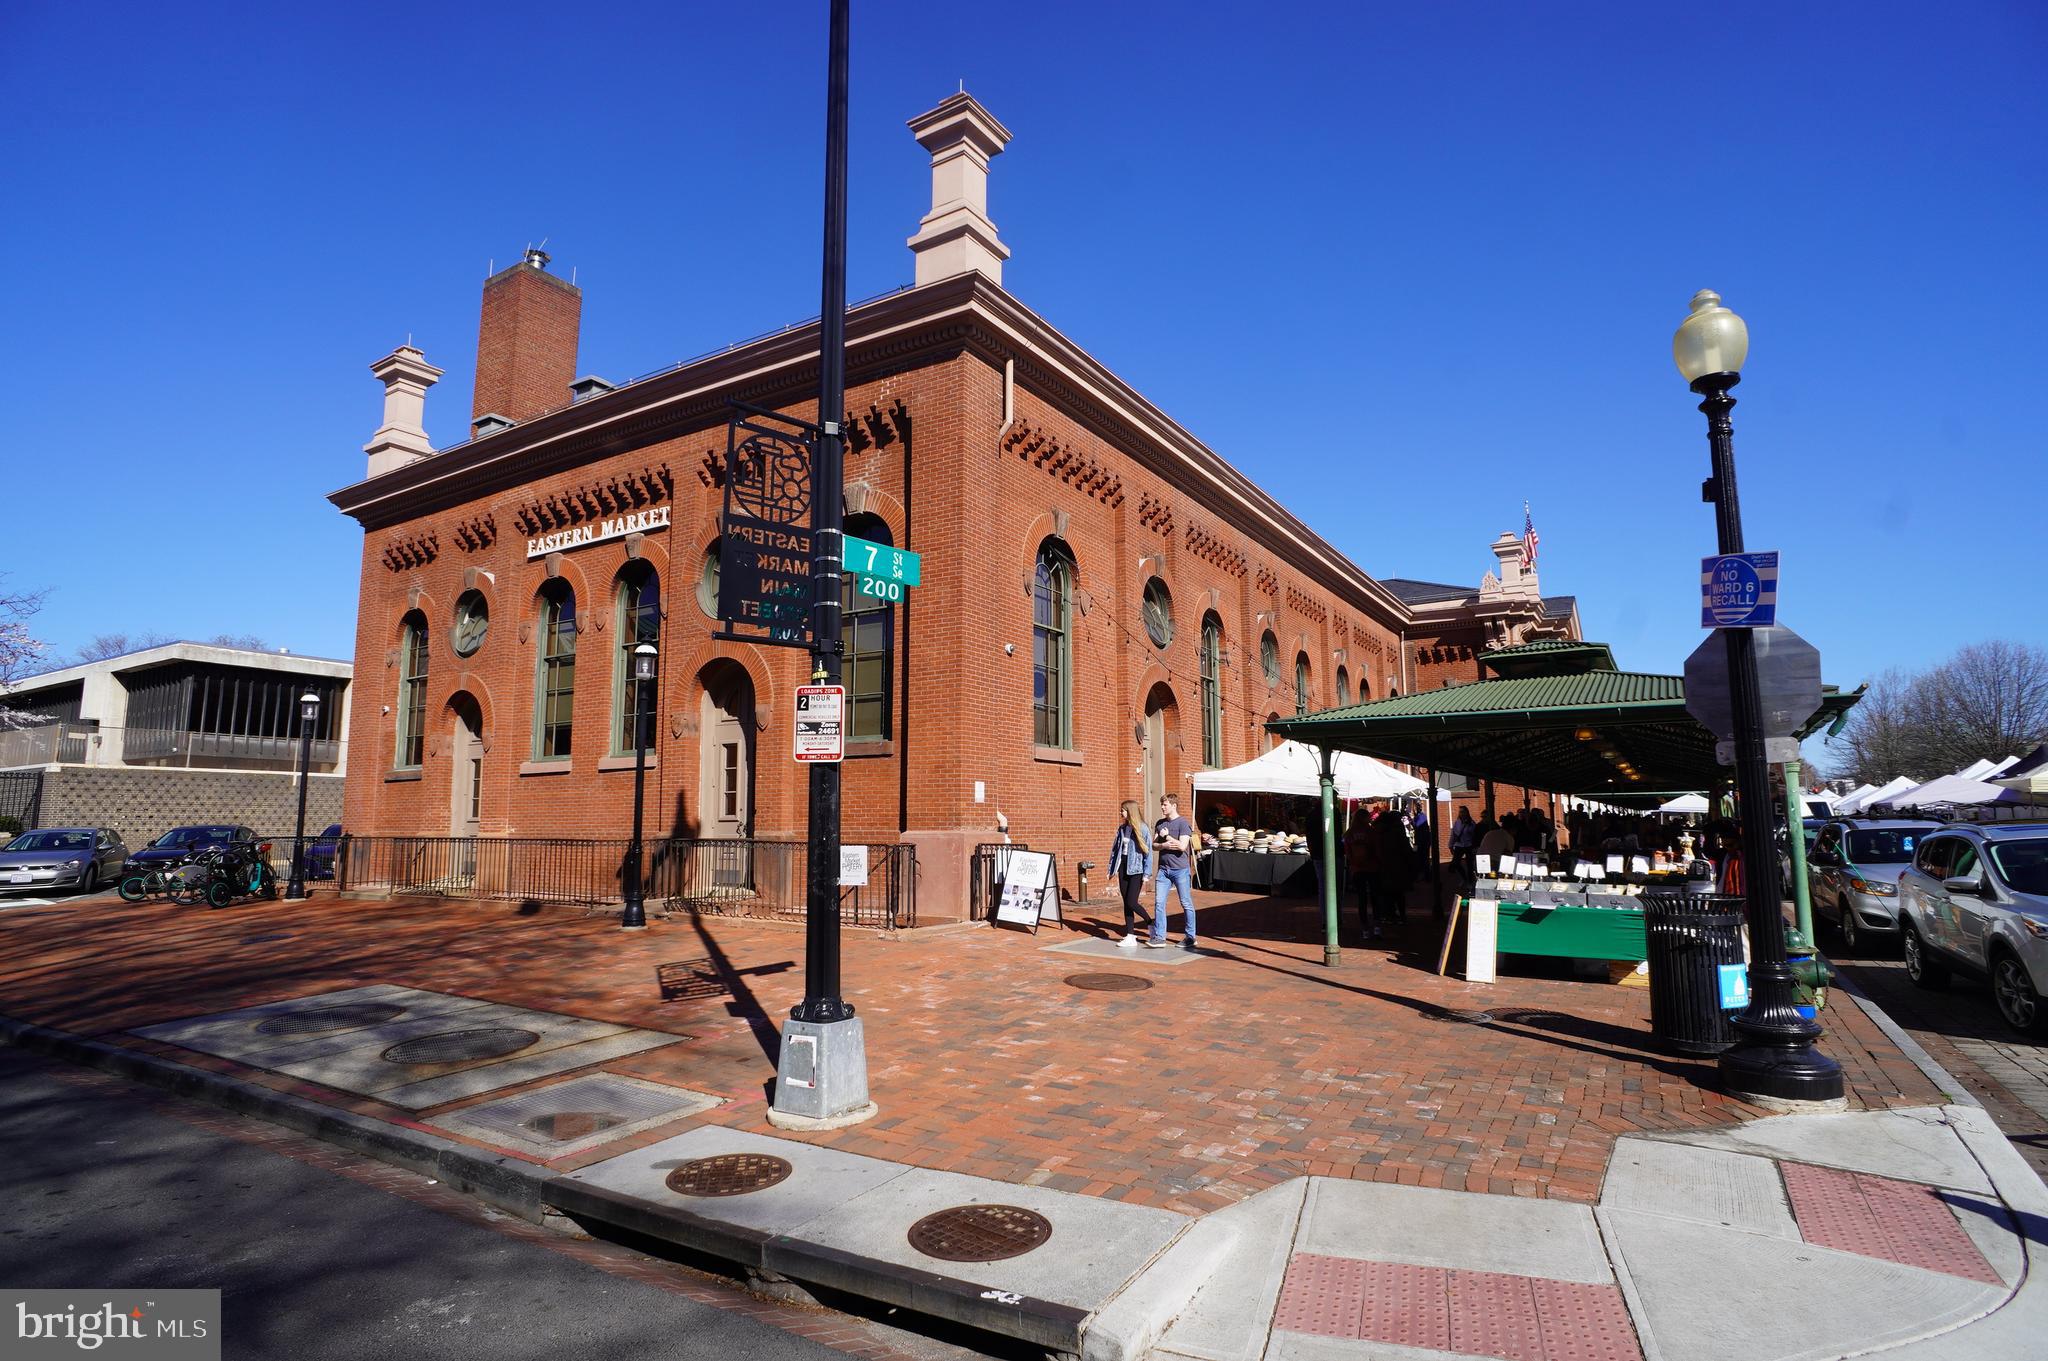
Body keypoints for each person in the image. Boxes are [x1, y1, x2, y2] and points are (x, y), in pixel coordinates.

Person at [1150, 794, 1199, 951]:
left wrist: (1167, 836)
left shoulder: (1183, 824)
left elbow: (1182, 846)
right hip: (1163, 870)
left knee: (1185, 903)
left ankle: (1190, 936)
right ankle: (1159, 937)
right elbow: (1154, 845)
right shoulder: (1160, 823)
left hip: (1180, 870)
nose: (1162, 807)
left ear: (1173, 806)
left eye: (1165, 805)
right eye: (1162, 804)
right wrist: (1163, 845)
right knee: (1159, 903)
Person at [1107, 800, 1153, 948]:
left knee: (1132, 902)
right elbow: (1115, 851)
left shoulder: (1143, 829)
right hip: (1123, 868)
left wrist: (1147, 873)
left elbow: (1149, 852)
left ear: (1130, 811)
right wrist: (1111, 869)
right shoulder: (1122, 829)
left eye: (1123, 810)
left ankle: (1150, 922)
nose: (1121, 813)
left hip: (1136, 870)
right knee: (1126, 903)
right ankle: (1130, 936)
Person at [1345, 804, 1379, 940]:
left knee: (1362, 899)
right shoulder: (1372, 832)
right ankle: (1377, 927)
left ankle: (1365, 928)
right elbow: (1377, 849)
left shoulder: (1349, 833)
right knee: (1375, 897)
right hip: (1372, 868)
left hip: (1357, 869)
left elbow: (1347, 852)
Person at [1449, 807, 1477, 884]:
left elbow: (1473, 834)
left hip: (1468, 845)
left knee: (1469, 864)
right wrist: (1450, 845)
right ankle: (1464, 878)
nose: (1462, 813)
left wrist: (1467, 825)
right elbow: (1453, 834)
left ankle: (1470, 881)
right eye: (1460, 812)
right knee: (1456, 863)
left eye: (1463, 812)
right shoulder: (1457, 822)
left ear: (1467, 812)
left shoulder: (1471, 822)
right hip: (1459, 845)